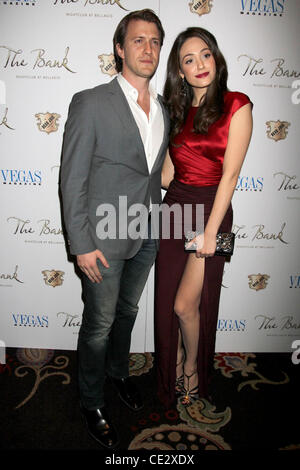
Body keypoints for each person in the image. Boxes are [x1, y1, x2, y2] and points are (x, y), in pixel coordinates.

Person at [60, 9, 169, 448]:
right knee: (99, 323)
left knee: (127, 314)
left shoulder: (163, 108)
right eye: (138, 40)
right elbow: (72, 178)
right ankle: (90, 400)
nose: (148, 48)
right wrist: (81, 243)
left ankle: (119, 373)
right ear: (120, 50)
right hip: (102, 239)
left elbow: (154, 173)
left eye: (156, 41)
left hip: (147, 232)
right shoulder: (91, 101)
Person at [154, 27, 253, 409]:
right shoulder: (175, 112)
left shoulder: (237, 104)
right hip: (175, 209)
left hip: (215, 213)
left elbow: (230, 176)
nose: (199, 64)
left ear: (216, 58)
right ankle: (172, 364)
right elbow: (165, 176)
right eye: (188, 59)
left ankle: (192, 367)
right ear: (179, 71)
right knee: (169, 303)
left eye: (205, 54)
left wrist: (211, 232)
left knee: (185, 305)